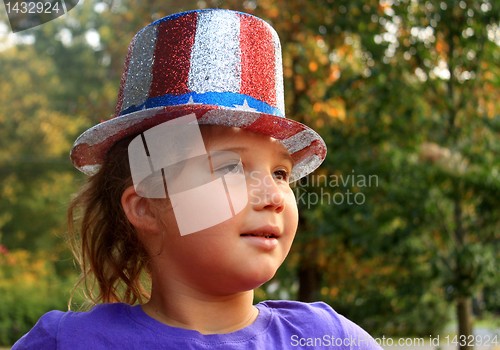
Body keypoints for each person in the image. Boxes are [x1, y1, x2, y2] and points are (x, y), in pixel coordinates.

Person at [13, 9, 382, 349]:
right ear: (146, 208)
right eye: (228, 168)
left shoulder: (329, 338)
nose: (273, 195)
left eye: (280, 173)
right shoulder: (70, 342)